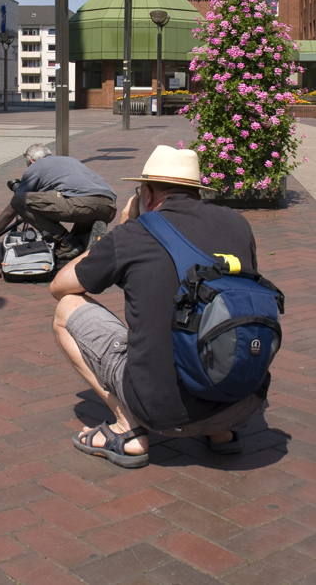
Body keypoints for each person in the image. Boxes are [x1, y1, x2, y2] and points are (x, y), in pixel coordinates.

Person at [50, 144, 267, 469]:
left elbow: (60, 285)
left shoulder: (136, 233)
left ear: (147, 192)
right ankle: (221, 431)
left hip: (163, 411)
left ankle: (128, 430)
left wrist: (122, 228)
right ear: (196, 191)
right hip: (243, 401)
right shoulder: (238, 224)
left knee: (66, 309)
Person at [0, 143, 117, 260]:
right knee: (79, 236)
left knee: (19, 200)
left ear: (31, 161)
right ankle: (88, 237)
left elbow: (12, 209)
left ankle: (65, 243)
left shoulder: (35, 167)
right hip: (109, 205)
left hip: (81, 204)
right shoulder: (69, 160)